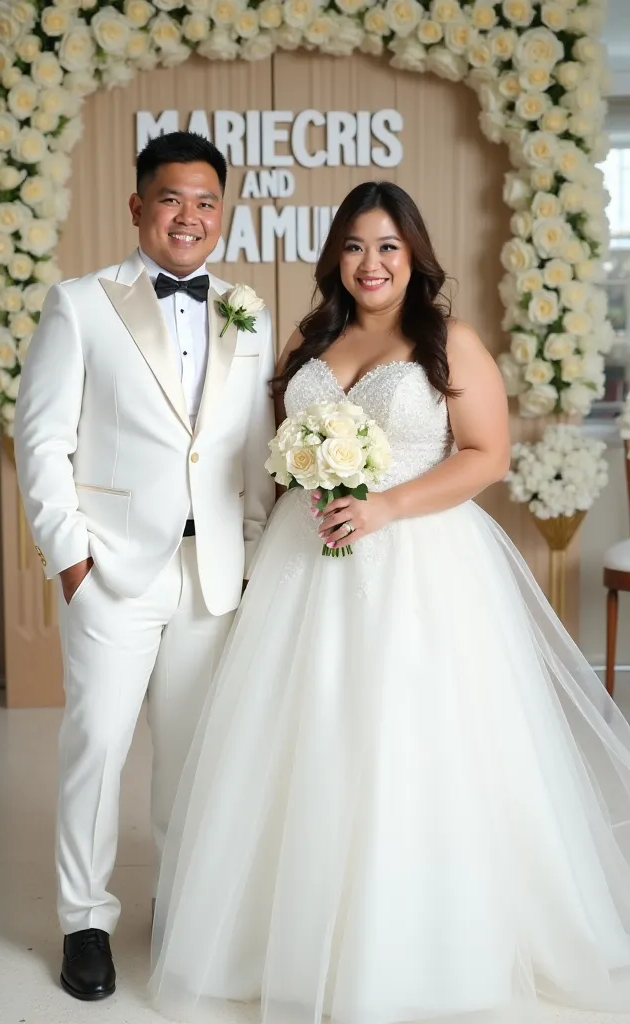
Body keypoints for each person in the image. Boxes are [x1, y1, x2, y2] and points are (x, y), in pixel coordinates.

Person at [150, 181, 630, 1024]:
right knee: (299, 737)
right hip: (307, 563)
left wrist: (385, 507)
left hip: (416, 561)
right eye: (354, 247)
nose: (370, 264)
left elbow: (486, 455)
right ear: (336, 257)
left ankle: (406, 947)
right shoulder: (309, 338)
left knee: (406, 743)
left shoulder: (449, 342)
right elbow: (270, 447)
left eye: (387, 248)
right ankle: (276, 936)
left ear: (414, 258)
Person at [14, 131, 275, 1001]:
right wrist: (70, 560)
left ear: (222, 210)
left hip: (215, 572)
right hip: (113, 571)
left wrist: (253, 550)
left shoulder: (250, 309)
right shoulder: (81, 303)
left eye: (206, 200)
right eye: (171, 198)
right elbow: (42, 438)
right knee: (98, 746)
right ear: (138, 206)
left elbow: (254, 446)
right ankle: (84, 920)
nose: (189, 216)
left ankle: (180, 897)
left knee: (194, 754)